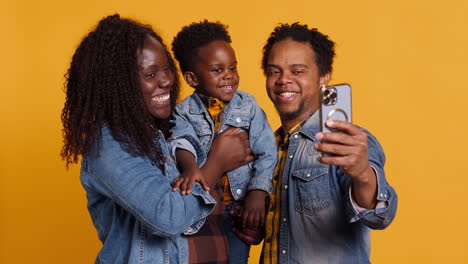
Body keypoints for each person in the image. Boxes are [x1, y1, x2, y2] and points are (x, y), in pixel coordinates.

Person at [60, 14, 253, 264]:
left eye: (167, 69)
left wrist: (241, 224)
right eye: (151, 75)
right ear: (118, 84)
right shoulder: (108, 144)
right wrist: (217, 162)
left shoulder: (174, 132)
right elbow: (167, 216)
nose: (167, 81)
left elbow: (203, 213)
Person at [235, 23, 398, 263]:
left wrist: (363, 174)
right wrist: (257, 227)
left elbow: (380, 216)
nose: (283, 80)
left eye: (298, 71)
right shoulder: (266, 148)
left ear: (324, 77)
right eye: (274, 71)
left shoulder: (347, 142)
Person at [169, 20, 277, 264]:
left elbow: (267, 151)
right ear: (192, 78)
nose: (229, 76)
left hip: (239, 209)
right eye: (217, 70)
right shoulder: (183, 111)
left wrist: (258, 194)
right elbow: (180, 141)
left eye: (233, 67)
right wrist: (190, 168)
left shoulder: (248, 106)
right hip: (202, 210)